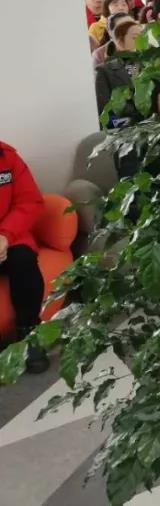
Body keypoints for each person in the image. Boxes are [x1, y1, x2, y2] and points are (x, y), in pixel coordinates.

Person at [0, 141, 49, 373]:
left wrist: (5, 236)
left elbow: (29, 201)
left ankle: (29, 333)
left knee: (24, 260)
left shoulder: (7, 157)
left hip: (10, 237)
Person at [95, 19, 143, 123]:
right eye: (135, 38)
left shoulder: (149, 67)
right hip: (124, 129)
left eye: (143, 37)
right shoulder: (104, 71)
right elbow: (103, 114)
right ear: (119, 40)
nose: (140, 42)